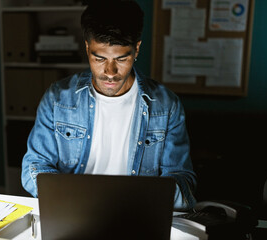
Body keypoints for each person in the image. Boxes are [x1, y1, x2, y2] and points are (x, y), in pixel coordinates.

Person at [21, 0, 196, 210]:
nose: (110, 72)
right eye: (99, 58)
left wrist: (144, 195)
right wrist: (72, 197)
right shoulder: (57, 99)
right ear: (87, 48)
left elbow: (183, 178)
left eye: (121, 59)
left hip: (138, 213)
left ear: (136, 49)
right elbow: (34, 165)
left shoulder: (167, 106)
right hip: (74, 210)